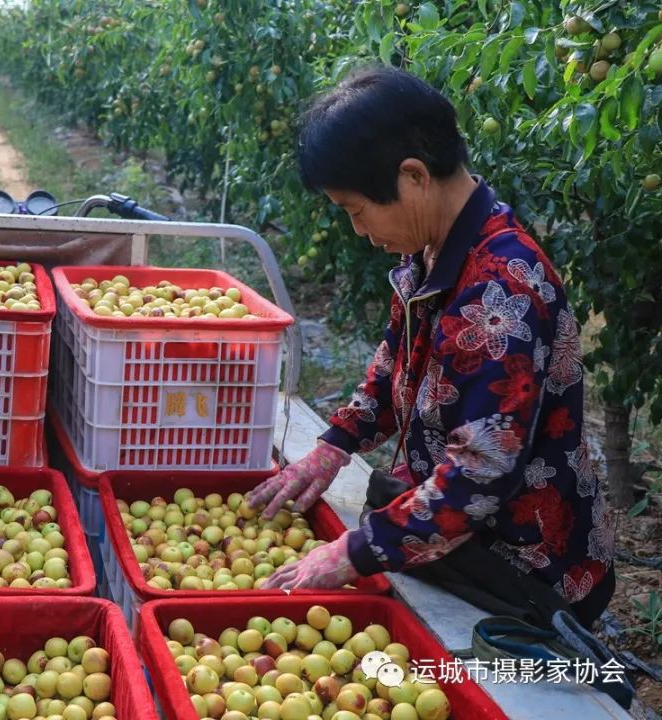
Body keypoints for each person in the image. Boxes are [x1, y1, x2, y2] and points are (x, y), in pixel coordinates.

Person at [248, 66, 616, 626]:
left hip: (528, 569)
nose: (357, 229)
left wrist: (353, 551)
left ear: (414, 177)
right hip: (461, 543)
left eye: (355, 210)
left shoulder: (501, 288)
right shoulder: (434, 255)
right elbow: (397, 360)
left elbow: (480, 472)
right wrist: (336, 444)